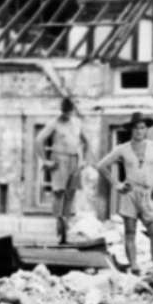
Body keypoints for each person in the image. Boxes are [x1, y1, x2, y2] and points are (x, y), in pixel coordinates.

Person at [96, 112, 153, 276]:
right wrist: (116, 185)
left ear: (146, 130)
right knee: (130, 232)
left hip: (148, 194)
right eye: (136, 128)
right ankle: (134, 267)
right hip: (130, 194)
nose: (139, 131)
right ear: (130, 130)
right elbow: (101, 166)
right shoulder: (122, 149)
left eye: (142, 128)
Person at [36, 97, 90, 245]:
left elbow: (86, 142)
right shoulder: (55, 123)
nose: (67, 114)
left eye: (69, 111)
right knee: (59, 192)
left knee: (71, 193)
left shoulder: (77, 123)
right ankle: (58, 221)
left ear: (72, 111)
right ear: (62, 110)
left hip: (74, 159)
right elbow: (39, 140)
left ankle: (66, 221)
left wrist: (84, 159)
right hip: (59, 159)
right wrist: (45, 160)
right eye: (65, 111)